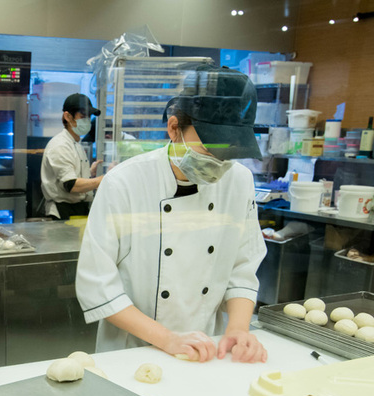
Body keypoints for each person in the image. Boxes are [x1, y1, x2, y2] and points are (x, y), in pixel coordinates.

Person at [75, 66, 268, 363]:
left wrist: (239, 328)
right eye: (208, 149)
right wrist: (168, 339)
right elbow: (98, 283)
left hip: (210, 348)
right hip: (134, 350)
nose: (218, 162)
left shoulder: (239, 181)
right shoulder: (126, 182)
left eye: (228, 152)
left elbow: (243, 267)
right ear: (174, 128)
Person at [40, 93, 104, 219]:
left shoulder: (74, 143)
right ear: (68, 116)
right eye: (83, 116)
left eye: (89, 116)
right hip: (64, 211)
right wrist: (102, 180)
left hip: (77, 209)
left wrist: (89, 173)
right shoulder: (60, 145)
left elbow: (70, 173)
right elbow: (71, 185)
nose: (87, 120)